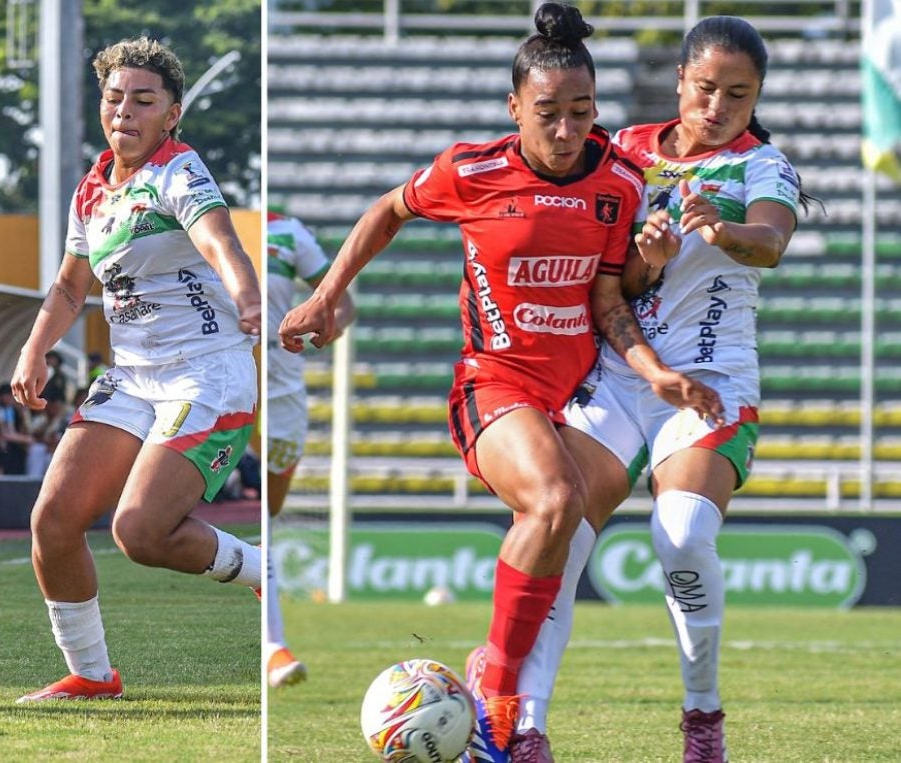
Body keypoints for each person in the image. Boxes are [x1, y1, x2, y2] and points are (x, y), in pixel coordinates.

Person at [278, 6, 724, 761]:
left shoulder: (618, 184)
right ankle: (498, 693)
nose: (565, 129)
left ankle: (508, 706)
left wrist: (654, 369)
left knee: (563, 527)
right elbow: (389, 210)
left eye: (581, 112)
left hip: (580, 392)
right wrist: (325, 295)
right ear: (514, 108)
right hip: (494, 381)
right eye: (546, 113)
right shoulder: (472, 170)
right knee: (555, 499)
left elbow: (611, 300)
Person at [513, 17, 808, 762]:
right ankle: (526, 727)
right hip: (619, 375)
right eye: (705, 88)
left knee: (680, 536)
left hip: (711, 381)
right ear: (680, 80)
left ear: (756, 98)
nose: (717, 107)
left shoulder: (761, 165)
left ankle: (702, 717)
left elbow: (770, 243)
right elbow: (619, 279)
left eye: (737, 95)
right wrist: (649, 258)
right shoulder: (625, 151)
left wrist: (722, 232)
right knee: (560, 531)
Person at [9, 36, 262, 703]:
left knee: (139, 531)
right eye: (115, 97)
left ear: (171, 113)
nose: (125, 110)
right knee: (54, 520)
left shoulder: (179, 170)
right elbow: (69, 288)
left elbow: (218, 238)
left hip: (206, 373)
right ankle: (92, 675)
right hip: (133, 377)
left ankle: (268, 572)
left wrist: (247, 294)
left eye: (143, 100)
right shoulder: (90, 194)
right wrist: (33, 350)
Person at [263, 211, 355, 688]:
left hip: (281, 401)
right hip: (217, 392)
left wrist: (328, 324)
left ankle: (269, 640)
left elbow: (344, 304)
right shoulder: (187, 217)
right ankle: (272, 646)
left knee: (266, 520)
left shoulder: (286, 231)